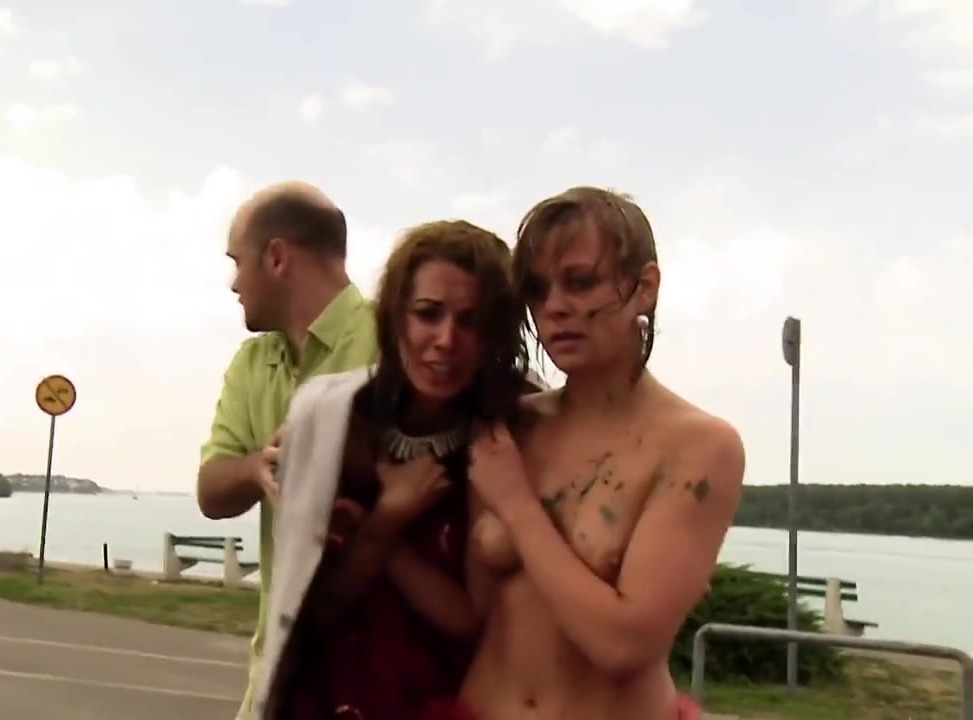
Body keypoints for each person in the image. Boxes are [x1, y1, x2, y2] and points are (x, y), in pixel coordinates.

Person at [456, 186, 746, 720]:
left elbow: (623, 646)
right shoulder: (509, 429)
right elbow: (475, 613)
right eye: (538, 290)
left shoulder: (699, 446)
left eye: (580, 282)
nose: (555, 307)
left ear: (644, 288)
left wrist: (517, 506)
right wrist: (380, 528)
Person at [248, 220, 532, 720]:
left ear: (493, 334)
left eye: (470, 321)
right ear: (396, 316)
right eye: (427, 313)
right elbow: (319, 608)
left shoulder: (506, 436)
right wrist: (388, 517)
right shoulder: (336, 420)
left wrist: (387, 532)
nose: (446, 339)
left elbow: (473, 620)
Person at [197, 181, 379, 720]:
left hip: (376, 678)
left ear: (276, 257)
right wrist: (257, 469)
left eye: (237, 261)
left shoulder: (396, 339)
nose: (234, 283)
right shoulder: (251, 364)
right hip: (277, 676)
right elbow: (210, 490)